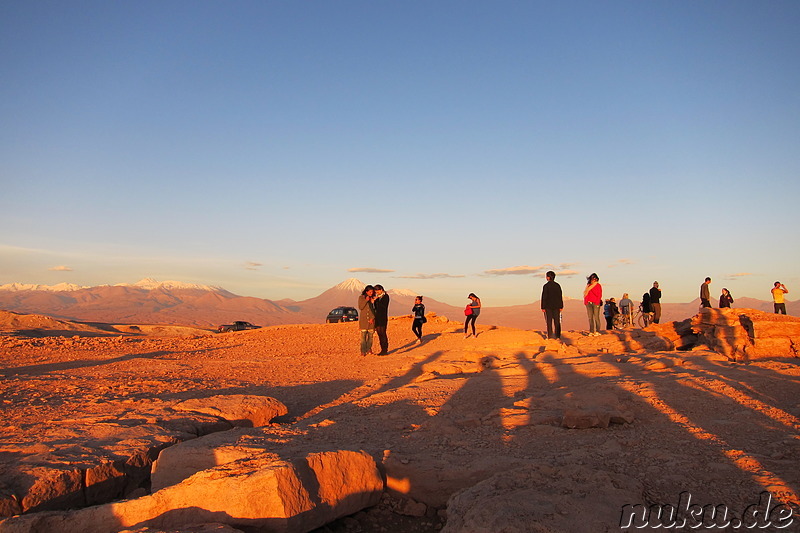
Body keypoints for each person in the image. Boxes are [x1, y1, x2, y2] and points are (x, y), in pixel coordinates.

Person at [540, 270, 563, 340]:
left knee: (549, 321)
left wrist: (543, 307)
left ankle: (550, 336)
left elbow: (544, 297)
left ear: (548, 277)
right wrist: (561, 306)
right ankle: (558, 336)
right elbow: (560, 296)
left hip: (548, 306)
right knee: (557, 321)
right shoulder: (557, 285)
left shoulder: (546, 286)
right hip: (556, 306)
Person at [357, 285, 376, 356]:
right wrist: (366, 300)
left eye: (372, 292)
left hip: (371, 321)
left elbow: (374, 310)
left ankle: (369, 349)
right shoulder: (361, 298)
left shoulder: (372, 299)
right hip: (363, 321)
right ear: (366, 292)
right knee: (363, 337)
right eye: (370, 292)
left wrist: (372, 318)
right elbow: (360, 307)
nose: (371, 293)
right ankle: (363, 351)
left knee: (370, 337)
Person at [373, 284, 390, 355]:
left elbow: (384, 306)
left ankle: (385, 349)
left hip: (383, 317)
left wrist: (377, 300)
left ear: (381, 289)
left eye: (377, 291)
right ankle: (382, 349)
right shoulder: (378, 297)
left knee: (383, 333)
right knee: (379, 334)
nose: (377, 292)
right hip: (377, 317)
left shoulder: (386, 296)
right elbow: (376, 307)